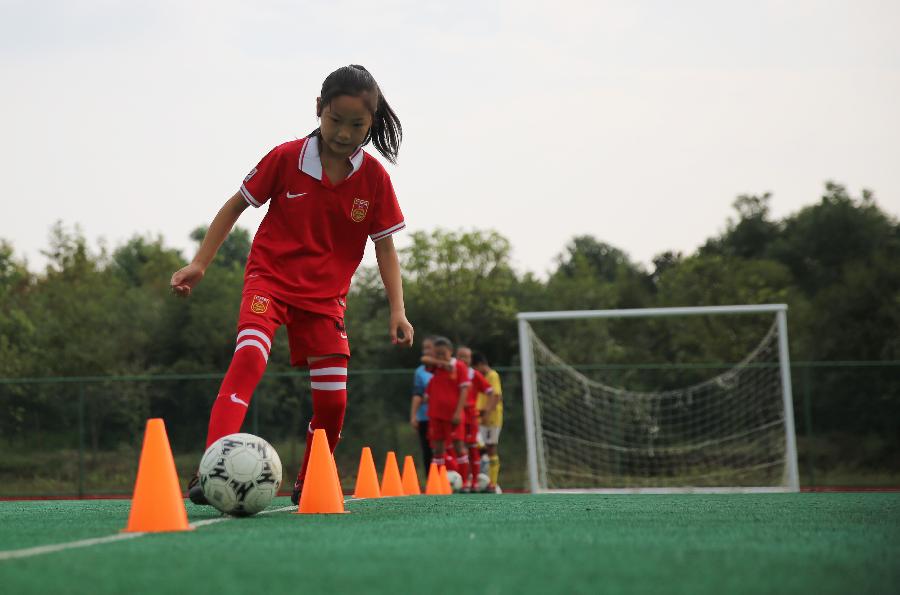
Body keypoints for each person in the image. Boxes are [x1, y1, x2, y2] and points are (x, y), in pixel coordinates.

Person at [170, 65, 414, 506]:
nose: (343, 132)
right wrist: (200, 263)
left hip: (325, 300)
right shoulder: (285, 157)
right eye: (335, 120)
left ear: (371, 124)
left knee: (334, 404)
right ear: (318, 110)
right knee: (248, 356)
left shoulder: (375, 178)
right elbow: (234, 206)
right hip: (271, 280)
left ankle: (309, 480)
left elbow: (386, 249)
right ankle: (210, 469)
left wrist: (398, 309)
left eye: (356, 124)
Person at [421, 337, 470, 484]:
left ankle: (464, 482)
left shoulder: (459, 366)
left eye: (443, 353)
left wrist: (458, 412)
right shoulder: (436, 366)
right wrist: (440, 362)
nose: (440, 356)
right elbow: (423, 359)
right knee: (438, 448)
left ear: (451, 352)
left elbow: (464, 390)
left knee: (458, 446)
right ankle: (439, 482)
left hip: (453, 414)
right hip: (436, 414)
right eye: (437, 354)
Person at [454, 345, 494, 492]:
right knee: (457, 448)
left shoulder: (473, 374)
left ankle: (475, 482)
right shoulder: (452, 372)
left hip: (470, 417)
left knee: (472, 448)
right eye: (460, 356)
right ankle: (462, 481)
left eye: (467, 356)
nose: (463, 359)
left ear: (470, 359)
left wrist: (487, 411)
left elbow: (490, 391)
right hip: (455, 416)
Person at [473, 352, 503, 493]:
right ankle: (480, 480)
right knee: (478, 448)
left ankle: (492, 482)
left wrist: (487, 413)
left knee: (491, 448)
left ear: (480, 365)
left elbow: (496, 397)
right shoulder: (481, 377)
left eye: (476, 367)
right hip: (480, 418)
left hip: (491, 419)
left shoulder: (492, 375)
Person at [410, 336, 435, 473]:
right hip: (424, 417)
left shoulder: (444, 368)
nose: (426, 351)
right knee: (427, 449)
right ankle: (431, 481)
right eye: (424, 348)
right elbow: (417, 394)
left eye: (429, 347)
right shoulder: (419, 372)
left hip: (441, 416)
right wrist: (414, 416)